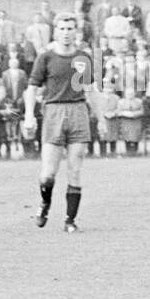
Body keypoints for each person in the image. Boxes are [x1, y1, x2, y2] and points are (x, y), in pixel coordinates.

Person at [24, 13, 95, 232]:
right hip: (54, 112)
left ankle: (70, 220)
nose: (66, 33)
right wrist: (28, 115)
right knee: (48, 173)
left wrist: (101, 117)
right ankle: (45, 204)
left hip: (78, 111)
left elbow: (91, 90)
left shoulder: (84, 57)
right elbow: (32, 88)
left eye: (70, 29)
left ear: (76, 32)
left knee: (75, 170)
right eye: (62, 29)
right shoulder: (45, 57)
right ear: (56, 31)